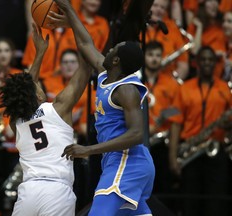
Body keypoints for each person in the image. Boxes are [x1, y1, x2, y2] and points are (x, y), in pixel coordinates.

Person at [52, 1, 155, 215]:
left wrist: (88, 150)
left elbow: (137, 134)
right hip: (119, 162)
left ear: (116, 60)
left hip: (127, 162)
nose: (107, 50)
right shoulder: (106, 74)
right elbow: (86, 44)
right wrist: (70, 11)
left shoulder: (126, 89)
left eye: (113, 49)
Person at [0, 23, 91, 216]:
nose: (39, 84)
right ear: (39, 96)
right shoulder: (58, 109)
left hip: (28, 192)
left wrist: (40, 54)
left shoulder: (16, 123)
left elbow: (25, 88)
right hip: (57, 191)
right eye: (38, 86)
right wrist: (75, 25)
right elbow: (84, 68)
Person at [169, 46, 232, 216]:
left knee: (216, 204)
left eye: (210, 60)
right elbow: (175, 124)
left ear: (215, 64)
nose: (206, 63)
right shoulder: (184, 89)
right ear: (196, 63)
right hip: (190, 152)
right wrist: (173, 157)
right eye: (203, 59)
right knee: (190, 203)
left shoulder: (224, 89)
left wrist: (227, 125)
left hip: (216, 151)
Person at [144, 41, 180, 195]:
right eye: (150, 55)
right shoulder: (135, 81)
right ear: (143, 57)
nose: (154, 59)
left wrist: (173, 154)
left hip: (161, 144)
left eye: (158, 55)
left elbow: (176, 117)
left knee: (162, 189)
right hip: (139, 141)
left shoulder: (171, 84)